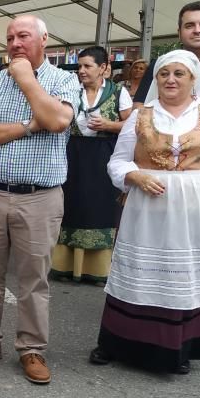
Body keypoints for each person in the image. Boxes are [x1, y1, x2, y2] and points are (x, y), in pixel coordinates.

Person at [90, 50, 200, 373]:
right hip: (145, 208)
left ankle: (177, 347)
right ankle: (117, 342)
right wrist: (135, 175)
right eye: (164, 74)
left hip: (193, 211)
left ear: (193, 79)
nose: (170, 79)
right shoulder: (140, 116)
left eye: (179, 73)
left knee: (184, 274)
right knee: (137, 272)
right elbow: (117, 161)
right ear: (156, 79)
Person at [0, 15, 80, 384]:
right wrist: (28, 126)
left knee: (33, 279)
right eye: (10, 37)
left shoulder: (64, 79)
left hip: (39, 197)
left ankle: (31, 349)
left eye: (23, 36)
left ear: (45, 39)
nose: (14, 43)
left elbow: (58, 121)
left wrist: (26, 80)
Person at [133, 1, 200, 349]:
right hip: (163, 162)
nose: (197, 30)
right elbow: (140, 109)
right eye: (189, 25)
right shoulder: (163, 64)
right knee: (162, 240)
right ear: (180, 31)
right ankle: (155, 311)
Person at [50, 46, 133, 284]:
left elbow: (132, 125)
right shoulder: (71, 90)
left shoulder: (118, 93)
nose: (81, 71)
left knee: (100, 209)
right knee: (71, 206)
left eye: (87, 66)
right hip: (72, 155)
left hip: (103, 158)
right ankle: (64, 266)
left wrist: (109, 125)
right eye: (80, 66)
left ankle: (97, 270)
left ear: (104, 68)